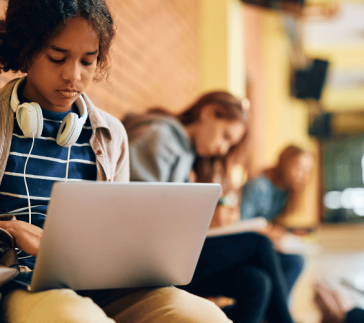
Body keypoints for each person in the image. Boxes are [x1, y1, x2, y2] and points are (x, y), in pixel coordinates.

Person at [0, 1, 233, 322]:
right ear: (26, 48)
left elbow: (117, 232)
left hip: (98, 281)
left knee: (204, 316)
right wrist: (8, 230)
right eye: (57, 57)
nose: (73, 75)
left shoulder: (111, 134)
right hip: (18, 282)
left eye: (88, 60)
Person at [123, 92, 296, 323]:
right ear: (207, 113)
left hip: (173, 254)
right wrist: (204, 220)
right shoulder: (159, 138)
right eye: (225, 136)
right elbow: (139, 213)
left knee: (256, 282)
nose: (223, 149)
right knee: (260, 243)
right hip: (148, 260)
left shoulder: (186, 155)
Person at [240, 144, 314, 292]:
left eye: (306, 171)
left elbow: (271, 223)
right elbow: (240, 223)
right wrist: (269, 232)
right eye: (297, 167)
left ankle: (279, 310)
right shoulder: (258, 185)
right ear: (284, 164)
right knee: (294, 262)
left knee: (296, 260)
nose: (301, 175)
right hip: (246, 246)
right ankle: (280, 312)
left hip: (263, 246)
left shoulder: (286, 193)